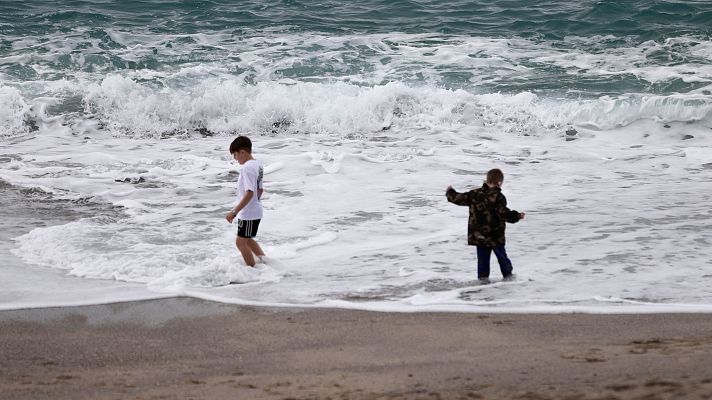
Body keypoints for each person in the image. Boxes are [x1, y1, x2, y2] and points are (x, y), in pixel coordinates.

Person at [446, 168, 525, 282]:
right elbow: (504, 214)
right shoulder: (499, 197)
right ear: (499, 182)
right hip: (495, 236)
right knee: (502, 258)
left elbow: (457, 198)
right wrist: (517, 216)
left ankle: (483, 282)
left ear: (487, 179)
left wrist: (450, 191)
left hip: (479, 236)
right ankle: (509, 278)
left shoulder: (474, 194)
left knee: (483, 261)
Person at [226, 136, 265, 267]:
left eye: (235, 154)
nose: (235, 158)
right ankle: (265, 263)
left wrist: (234, 211)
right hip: (255, 210)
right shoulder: (257, 164)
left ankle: (252, 270)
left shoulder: (247, 168)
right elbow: (259, 189)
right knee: (247, 240)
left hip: (249, 212)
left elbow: (250, 193)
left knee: (240, 243)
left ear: (243, 152)